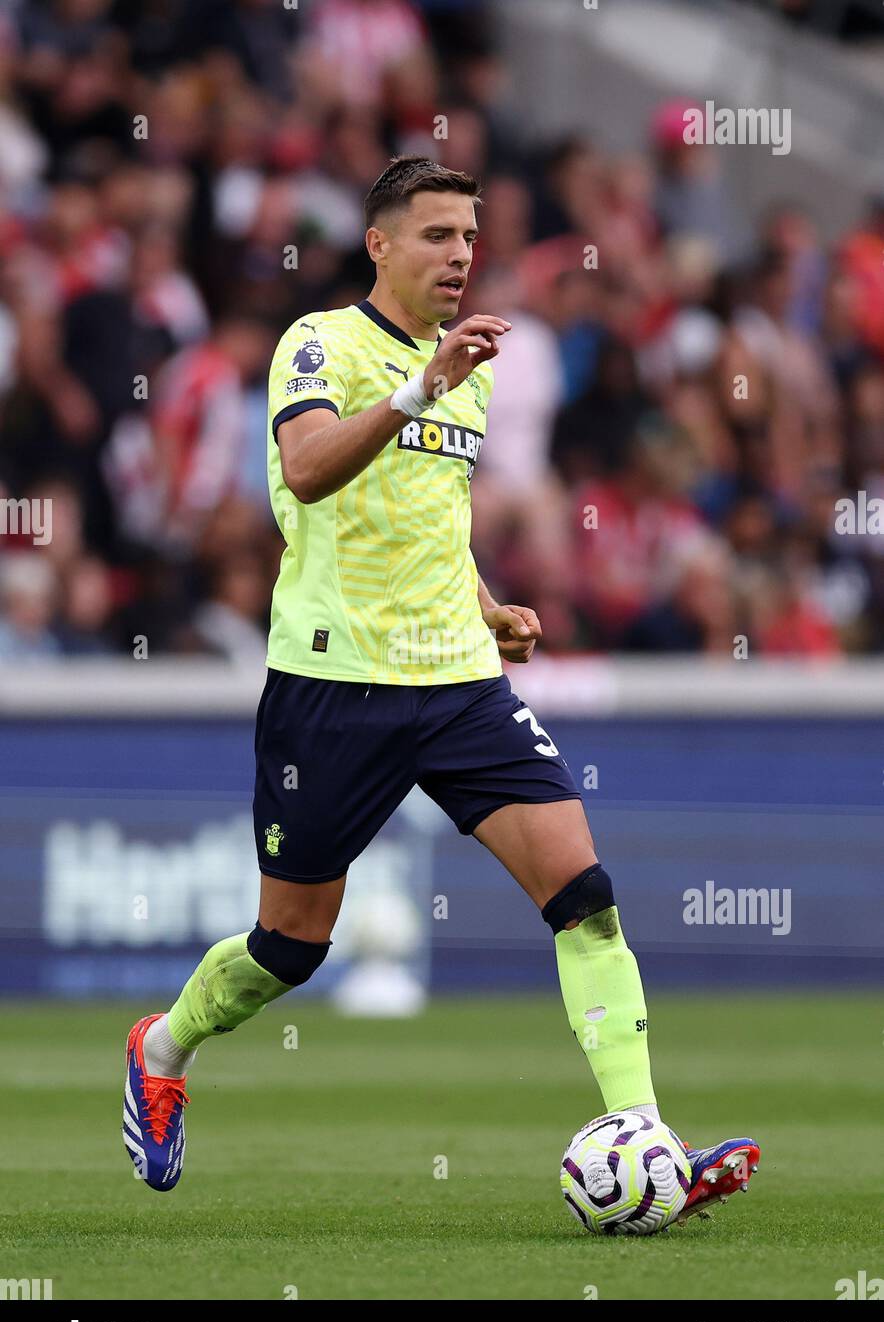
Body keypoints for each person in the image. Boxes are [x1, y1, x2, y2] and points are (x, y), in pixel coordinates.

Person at [121, 156, 759, 1214]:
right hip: (331, 684)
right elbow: (314, 469)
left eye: (468, 236)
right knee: (289, 947)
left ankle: (646, 1139)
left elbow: (428, 518)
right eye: (435, 235)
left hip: (459, 684)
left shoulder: (478, 366)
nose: (459, 254)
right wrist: (421, 386)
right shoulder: (318, 343)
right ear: (380, 244)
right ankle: (163, 1043)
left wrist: (487, 603)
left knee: (585, 900)